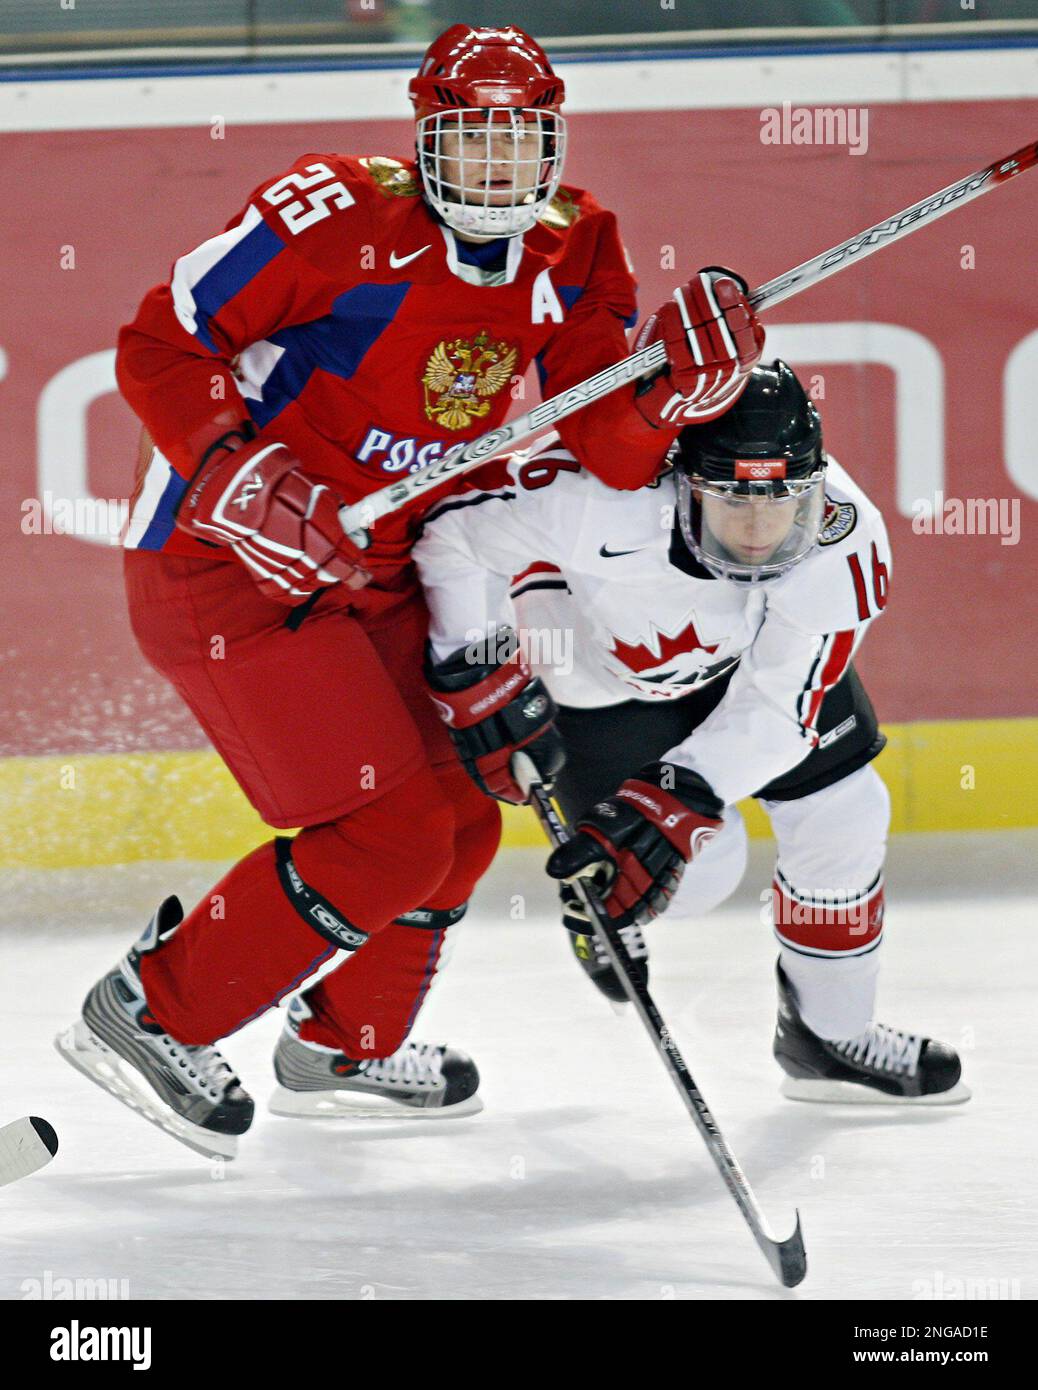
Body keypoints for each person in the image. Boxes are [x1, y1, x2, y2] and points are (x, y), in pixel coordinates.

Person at [55, 23, 765, 1155]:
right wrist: (236, 472)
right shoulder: (332, 214)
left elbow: (609, 445)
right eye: (474, 141)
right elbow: (161, 337)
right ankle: (151, 1008)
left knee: (460, 818)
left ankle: (345, 1042)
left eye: (522, 141)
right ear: (427, 138)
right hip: (225, 565)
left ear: (554, 143)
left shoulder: (576, 245)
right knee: (390, 828)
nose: (500, 168)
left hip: (383, 572)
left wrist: (677, 393)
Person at [414, 361, 968, 1104]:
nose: (758, 530)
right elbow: (453, 534)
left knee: (847, 812)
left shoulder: (845, 540)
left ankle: (828, 1036)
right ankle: (595, 898)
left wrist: (680, 794)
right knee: (701, 876)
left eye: (782, 503)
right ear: (680, 477)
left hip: (753, 671)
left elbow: (779, 709)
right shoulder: (595, 500)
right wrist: (478, 664)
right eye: (732, 500)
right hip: (600, 684)